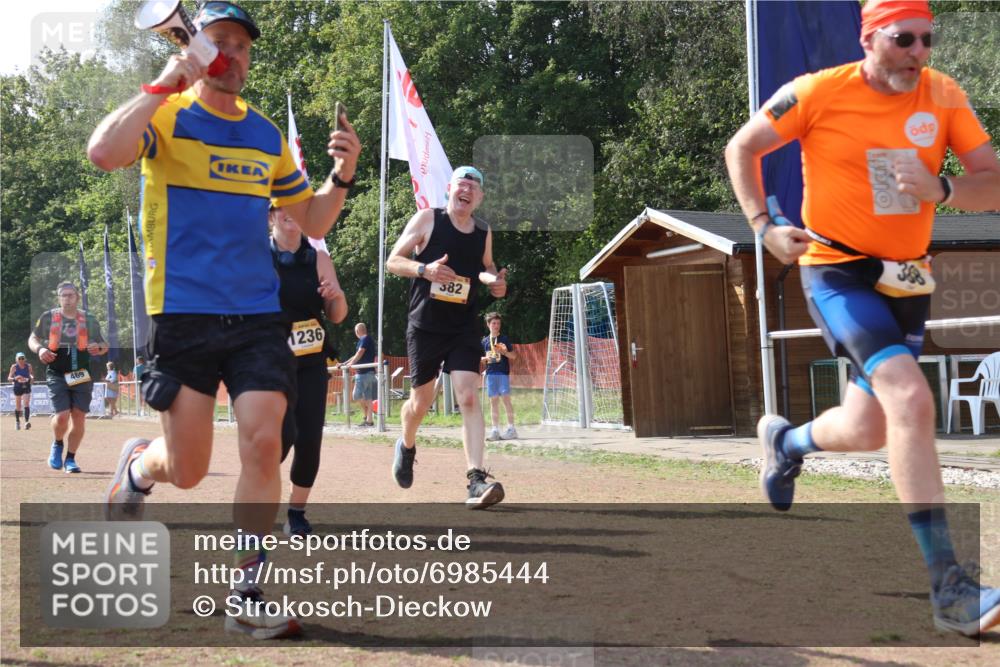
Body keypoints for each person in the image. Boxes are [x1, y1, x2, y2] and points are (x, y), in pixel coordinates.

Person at [724, 0, 1000, 636]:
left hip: (907, 277)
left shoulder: (944, 95)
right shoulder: (819, 92)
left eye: (928, 40)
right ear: (871, 37)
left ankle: (786, 443)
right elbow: (743, 147)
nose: (919, 52)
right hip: (836, 270)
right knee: (910, 400)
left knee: (868, 425)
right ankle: (949, 589)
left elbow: (991, 179)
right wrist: (764, 227)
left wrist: (947, 191)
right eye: (905, 38)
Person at [88, 0, 360, 640]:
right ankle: (136, 469)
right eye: (220, 42)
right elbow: (104, 152)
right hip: (181, 314)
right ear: (197, 48)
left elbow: (315, 220)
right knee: (187, 470)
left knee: (266, 440)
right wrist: (162, 82)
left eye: (242, 45)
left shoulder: (266, 135)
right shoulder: (166, 115)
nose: (233, 54)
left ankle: (247, 587)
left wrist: (342, 173)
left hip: (257, 317)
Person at [386, 166, 508, 508]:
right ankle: (406, 445)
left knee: (468, 397)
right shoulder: (428, 219)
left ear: (479, 198)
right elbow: (393, 261)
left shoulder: (483, 230)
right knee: (420, 403)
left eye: (474, 186)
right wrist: (425, 269)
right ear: (449, 189)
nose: (466, 189)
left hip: (463, 326)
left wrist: (493, 282)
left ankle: (475, 479)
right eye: (461, 183)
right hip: (425, 325)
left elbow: (485, 266)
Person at [271, 204, 347, 536]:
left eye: (297, 207)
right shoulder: (255, 256)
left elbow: (338, 314)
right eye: (280, 207)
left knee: (309, 438)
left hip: (311, 360)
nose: (290, 212)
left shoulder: (319, 259)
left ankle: (296, 512)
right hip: (269, 361)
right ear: (270, 216)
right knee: (279, 437)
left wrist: (335, 295)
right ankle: (256, 491)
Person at [27, 282, 109, 473]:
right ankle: (57, 444)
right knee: (62, 416)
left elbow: (104, 344)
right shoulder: (48, 317)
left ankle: (70, 459)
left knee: (79, 416)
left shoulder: (88, 319)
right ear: (58, 298)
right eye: (63, 295)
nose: (67, 299)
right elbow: (33, 338)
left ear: (77, 297)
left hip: (80, 373)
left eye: (70, 295)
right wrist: (40, 350)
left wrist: (99, 348)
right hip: (57, 373)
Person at [481, 312, 518, 440]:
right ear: (488, 324)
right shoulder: (484, 341)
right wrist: (484, 358)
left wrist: (504, 352)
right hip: (490, 374)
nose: (496, 326)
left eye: (498, 323)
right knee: (493, 402)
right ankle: (495, 430)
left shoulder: (504, 339)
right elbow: (479, 358)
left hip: (502, 373)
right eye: (494, 323)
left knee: (506, 400)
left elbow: (514, 356)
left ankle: (511, 429)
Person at [337, 323, 377, 426]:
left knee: (356, 395)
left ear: (357, 331)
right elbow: (356, 355)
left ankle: (366, 415)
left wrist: (351, 364)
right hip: (369, 372)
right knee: (368, 398)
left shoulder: (364, 339)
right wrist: (345, 363)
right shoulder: (367, 340)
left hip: (363, 373)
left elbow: (360, 353)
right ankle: (369, 420)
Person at [8, 352, 35, 430]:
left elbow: (30, 375)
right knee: (18, 406)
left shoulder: (28, 366)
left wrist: (31, 378)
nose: (21, 360)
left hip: (26, 385)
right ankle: (17, 422)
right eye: (19, 358)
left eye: (22, 358)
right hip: (17, 386)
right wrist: (15, 378)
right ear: (16, 359)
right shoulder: (14, 367)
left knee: (26, 403)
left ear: (25, 359)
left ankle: (26, 422)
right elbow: (9, 378)